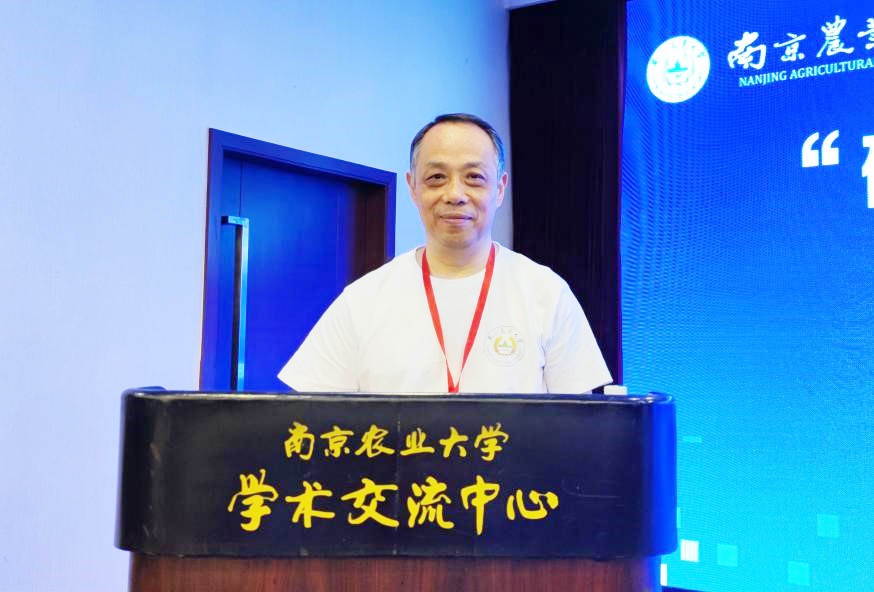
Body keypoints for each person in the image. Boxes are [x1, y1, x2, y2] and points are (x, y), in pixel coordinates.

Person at [278, 113, 611, 394]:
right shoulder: (363, 300)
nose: (455, 194)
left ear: (499, 188)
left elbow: (579, 425)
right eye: (436, 178)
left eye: (474, 177)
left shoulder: (546, 293)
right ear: (413, 187)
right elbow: (311, 419)